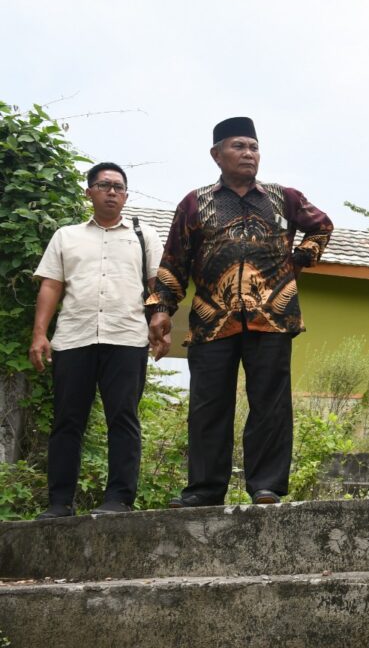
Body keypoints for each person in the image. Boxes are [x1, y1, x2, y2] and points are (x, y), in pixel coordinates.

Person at [147, 117, 333, 507]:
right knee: (208, 405)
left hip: (272, 318)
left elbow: (322, 226)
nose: (248, 154)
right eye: (238, 146)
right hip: (212, 319)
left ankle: (266, 486)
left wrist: (298, 260)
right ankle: (204, 489)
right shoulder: (196, 202)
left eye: (253, 147)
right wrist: (162, 309)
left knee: (270, 404)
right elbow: (174, 259)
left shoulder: (284, 197)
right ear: (216, 155)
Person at [30, 162, 165, 518]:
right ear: (89, 191)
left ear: (126, 195)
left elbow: (157, 288)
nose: (112, 192)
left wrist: (160, 327)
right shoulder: (66, 236)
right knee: (66, 421)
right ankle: (59, 503)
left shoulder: (143, 235)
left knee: (123, 418)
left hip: (127, 338)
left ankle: (119, 499)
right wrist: (40, 333)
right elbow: (51, 285)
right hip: (74, 338)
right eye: (104, 185)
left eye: (119, 187)